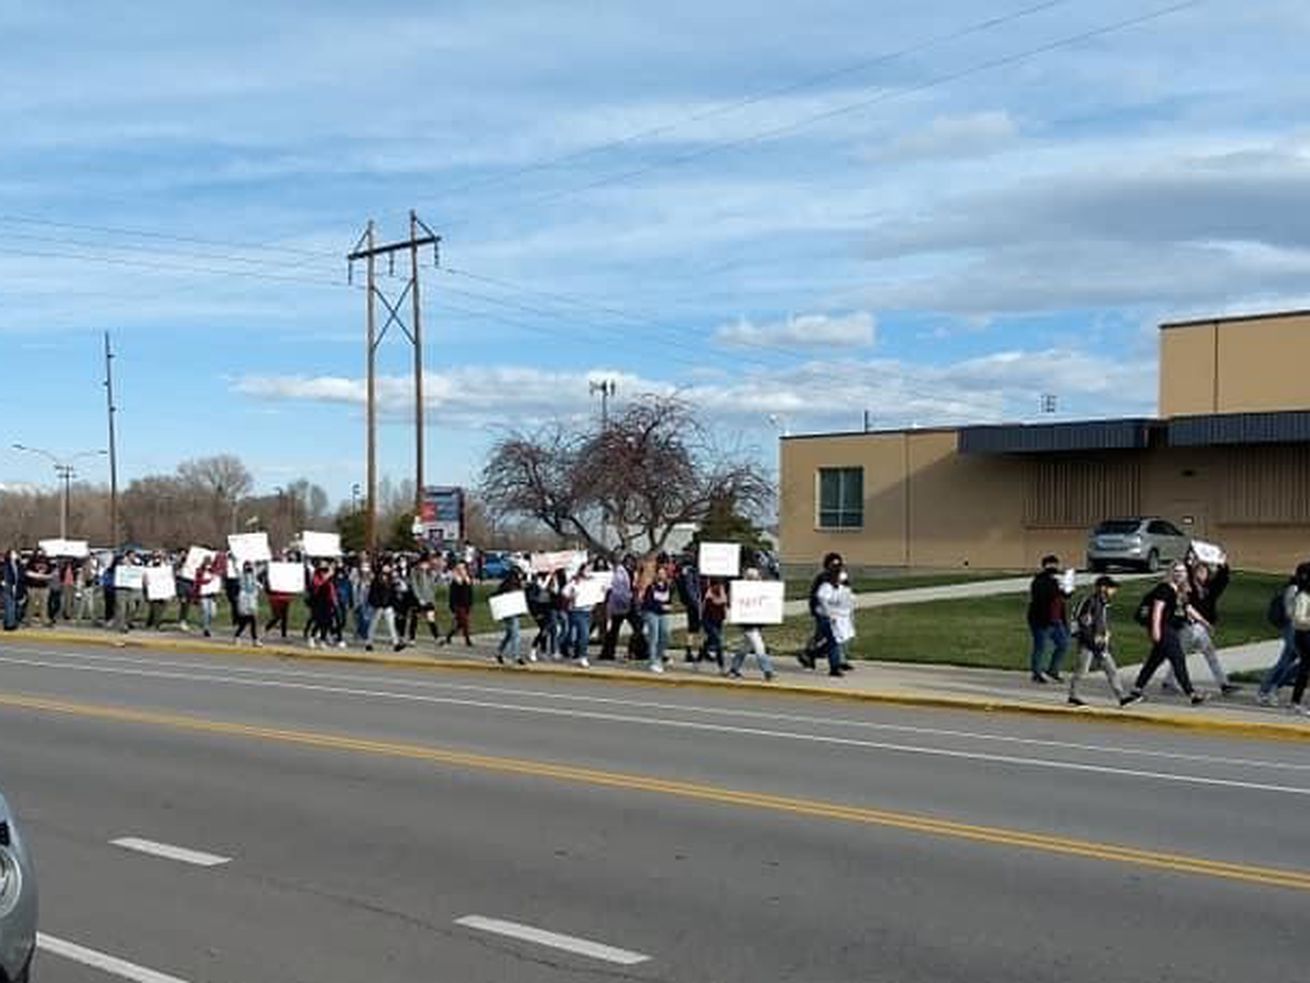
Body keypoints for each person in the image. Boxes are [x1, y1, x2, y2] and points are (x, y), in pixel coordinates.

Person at [1122, 562, 1205, 707]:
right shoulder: (1164, 589)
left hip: (1168, 629)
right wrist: (1155, 630)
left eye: (1182, 571)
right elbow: (1157, 610)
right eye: (1176, 571)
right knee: (1178, 659)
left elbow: (1188, 608)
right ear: (1170, 573)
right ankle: (1192, 694)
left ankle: (1136, 690)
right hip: (1164, 629)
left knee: (1154, 661)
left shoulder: (1179, 590)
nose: (1179, 574)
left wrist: (1203, 622)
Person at [1163, 559, 1236, 696]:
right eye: (1200, 571)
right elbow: (1186, 572)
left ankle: (1224, 684)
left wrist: (1223, 564)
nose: (1203, 574)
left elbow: (1222, 581)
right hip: (1188, 627)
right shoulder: (1189, 589)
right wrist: (1190, 559)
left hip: (1201, 628)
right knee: (1180, 656)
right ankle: (1169, 681)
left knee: (1210, 655)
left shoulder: (1209, 589)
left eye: (1205, 572)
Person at [1067, 575, 1126, 707]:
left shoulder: (1103, 603)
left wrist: (1105, 636)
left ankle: (1122, 697)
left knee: (1111, 670)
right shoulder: (1090, 602)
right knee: (1082, 670)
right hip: (1088, 643)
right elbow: (1084, 624)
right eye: (1112, 588)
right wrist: (1093, 642)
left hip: (1100, 642)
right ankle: (1073, 695)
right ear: (1102, 588)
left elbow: (1100, 622)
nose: (1114, 591)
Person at [1258, 573, 1301, 706]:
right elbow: (1290, 613)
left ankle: (1267, 690)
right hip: (1293, 629)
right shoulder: (1293, 589)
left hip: (1300, 631)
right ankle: (1270, 689)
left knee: (1285, 662)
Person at [1026, 555, 1071, 683]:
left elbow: (1063, 598)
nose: (1053, 567)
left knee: (1063, 644)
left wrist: (1066, 590)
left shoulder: (1056, 581)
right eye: (1050, 565)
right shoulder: (1039, 581)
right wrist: (1058, 586)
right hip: (1041, 620)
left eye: (1055, 565)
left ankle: (1053, 670)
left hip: (1057, 620)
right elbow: (1043, 598)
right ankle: (1036, 673)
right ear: (1044, 566)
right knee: (1040, 647)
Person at [727, 568, 775, 681]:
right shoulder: (741, 591)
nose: (757, 580)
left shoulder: (758, 590)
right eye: (754, 578)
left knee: (745, 648)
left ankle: (734, 669)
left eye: (757, 577)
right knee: (759, 646)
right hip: (748, 624)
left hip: (754, 623)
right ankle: (768, 670)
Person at [801, 552, 843, 670]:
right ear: (827, 565)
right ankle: (833, 665)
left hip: (835, 613)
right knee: (831, 639)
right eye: (833, 563)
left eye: (838, 563)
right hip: (823, 613)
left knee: (821, 637)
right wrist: (814, 610)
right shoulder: (822, 577)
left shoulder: (840, 577)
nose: (836, 566)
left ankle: (809, 655)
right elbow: (815, 595)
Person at [813, 563, 849, 677]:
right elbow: (822, 600)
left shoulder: (838, 588)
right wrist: (830, 615)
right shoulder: (826, 587)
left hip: (835, 618)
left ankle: (811, 654)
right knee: (834, 642)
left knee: (832, 642)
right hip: (826, 618)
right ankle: (834, 668)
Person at [1283, 562, 1310, 717]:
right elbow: (1297, 619)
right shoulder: (1302, 597)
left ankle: (1296, 702)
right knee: (1304, 670)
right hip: (1305, 636)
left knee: (1305, 670)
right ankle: (1296, 703)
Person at [641, 563, 675, 673]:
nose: (661, 575)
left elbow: (669, 600)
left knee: (665, 635)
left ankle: (659, 657)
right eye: (659, 573)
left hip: (663, 613)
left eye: (663, 573)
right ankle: (653, 662)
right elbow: (648, 602)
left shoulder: (668, 587)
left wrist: (668, 606)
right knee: (654, 636)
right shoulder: (651, 587)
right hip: (652, 613)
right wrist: (660, 606)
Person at [600, 555, 635, 661]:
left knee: (637, 627)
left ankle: (609, 652)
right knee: (615, 630)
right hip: (620, 605)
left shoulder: (630, 572)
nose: (632, 564)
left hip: (627, 604)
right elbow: (619, 590)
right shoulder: (620, 573)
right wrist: (630, 596)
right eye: (631, 562)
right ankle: (608, 653)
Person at [367, 561, 403, 652]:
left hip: (388, 605)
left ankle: (396, 643)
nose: (387, 568)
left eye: (388, 567)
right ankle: (369, 643)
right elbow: (373, 593)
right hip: (378, 606)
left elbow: (393, 593)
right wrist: (375, 603)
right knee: (373, 625)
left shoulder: (391, 580)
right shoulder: (376, 579)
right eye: (385, 566)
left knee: (391, 625)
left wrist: (395, 605)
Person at [407, 554, 442, 645]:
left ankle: (437, 638)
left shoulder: (430, 572)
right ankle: (412, 638)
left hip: (429, 598)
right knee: (415, 618)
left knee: (431, 618)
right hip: (418, 599)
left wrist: (436, 579)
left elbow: (433, 586)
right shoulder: (414, 571)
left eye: (427, 564)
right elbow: (414, 586)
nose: (426, 565)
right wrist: (419, 598)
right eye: (424, 563)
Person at [562, 566, 594, 668]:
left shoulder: (593, 582)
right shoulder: (575, 581)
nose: (589, 572)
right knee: (584, 634)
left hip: (588, 611)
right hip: (577, 611)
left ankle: (576, 652)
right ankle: (582, 656)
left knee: (581, 634)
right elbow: (564, 592)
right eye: (587, 570)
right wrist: (572, 595)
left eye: (590, 570)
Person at [494, 568, 526, 665]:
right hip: (510, 612)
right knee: (516, 635)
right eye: (520, 574)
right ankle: (516, 656)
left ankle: (499, 652)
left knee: (509, 634)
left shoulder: (508, 584)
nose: (521, 576)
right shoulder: (512, 585)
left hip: (510, 612)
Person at [675, 553, 702, 662]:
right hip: (694, 604)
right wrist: (697, 604)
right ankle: (692, 652)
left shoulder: (685, 571)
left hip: (691, 603)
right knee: (695, 629)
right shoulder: (689, 572)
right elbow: (690, 588)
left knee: (694, 629)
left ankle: (694, 651)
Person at [307, 561, 341, 649]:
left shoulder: (330, 577)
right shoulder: (316, 575)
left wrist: (334, 600)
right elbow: (318, 584)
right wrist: (328, 575)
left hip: (328, 601)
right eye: (322, 565)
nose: (324, 567)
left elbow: (332, 589)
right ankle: (312, 638)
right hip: (318, 601)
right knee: (319, 621)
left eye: (326, 565)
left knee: (327, 622)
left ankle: (323, 640)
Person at [443, 562, 474, 646]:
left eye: (463, 569)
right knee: (465, 622)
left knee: (460, 624)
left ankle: (449, 636)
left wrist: (471, 604)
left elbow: (470, 593)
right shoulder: (455, 581)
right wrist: (452, 607)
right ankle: (467, 640)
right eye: (459, 569)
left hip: (467, 604)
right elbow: (452, 595)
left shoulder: (468, 579)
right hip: (458, 605)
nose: (461, 571)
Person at [701, 578, 728, 670]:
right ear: (713, 586)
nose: (719, 587)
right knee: (718, 641)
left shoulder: (722, 593)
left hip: (718, 621)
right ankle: (722, 666)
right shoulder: (708, 596)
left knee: (710, 640)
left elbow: (723, 605)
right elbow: (715, 604)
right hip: (708, 621)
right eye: (717, 585)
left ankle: (701, 654)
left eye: (720, 585)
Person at [233, 561, 263, 646]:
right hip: (244, 600)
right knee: (245, 621)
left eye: (250, 566)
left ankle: (254, 639)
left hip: (252, 600)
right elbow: (236, 569)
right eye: (247, 566)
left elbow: (258, 583)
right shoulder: (241, 576)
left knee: (253, 620)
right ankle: (237, 636)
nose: (248, 568)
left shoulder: (254, 576)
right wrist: (233, 560)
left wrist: (259, 587)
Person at [23, 551, 53, 627]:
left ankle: (44, 621)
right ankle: (28, 620)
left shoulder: (47, 561)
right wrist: (39, 576)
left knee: (44, 605)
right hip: (32, 586)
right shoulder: (31, 561)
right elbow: (27, 573)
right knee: (31, 604)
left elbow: (51, 574)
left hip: (44, 587)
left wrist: (42, 576)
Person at [193, 557, 219, 637]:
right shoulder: (200, 571)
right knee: (206, 612)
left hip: (212, 595)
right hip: (203, 595)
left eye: (209, 563)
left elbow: (217, 581)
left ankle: (208, 625)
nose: (208, 565)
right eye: (206, 563)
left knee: (212, 613)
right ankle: (206, 628)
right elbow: (198, 581)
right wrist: (208, 580)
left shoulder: (214, 572)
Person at [2, 549, 25, 631]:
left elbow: (20, 576)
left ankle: (8, 622)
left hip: (15, 587)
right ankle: (10, 625)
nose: (16, 554)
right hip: (8, 586)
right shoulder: (6, 564)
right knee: (10, 605)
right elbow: (4, 575)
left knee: (12, 605)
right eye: (14, 553)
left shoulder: (17, 564)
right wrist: (3, 582)